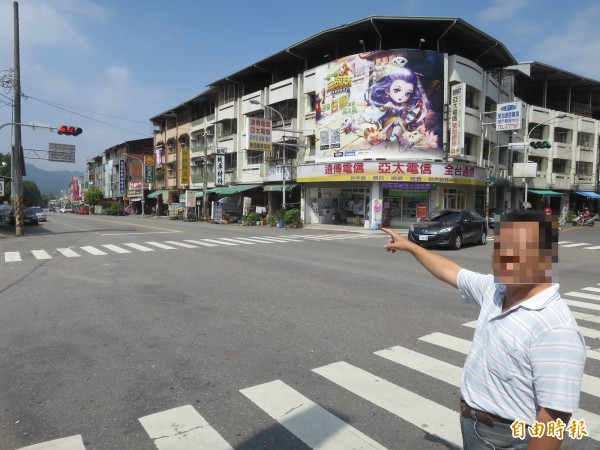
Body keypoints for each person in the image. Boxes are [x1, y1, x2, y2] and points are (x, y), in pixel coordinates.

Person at [382, 211, 585, 450]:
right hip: (473, 423)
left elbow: (554, 419)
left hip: (509, 438)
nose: (506, 259)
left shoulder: (556, 329)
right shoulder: (496, 288)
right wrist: (412, 247)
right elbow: (451, 272)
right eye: (500, 248)